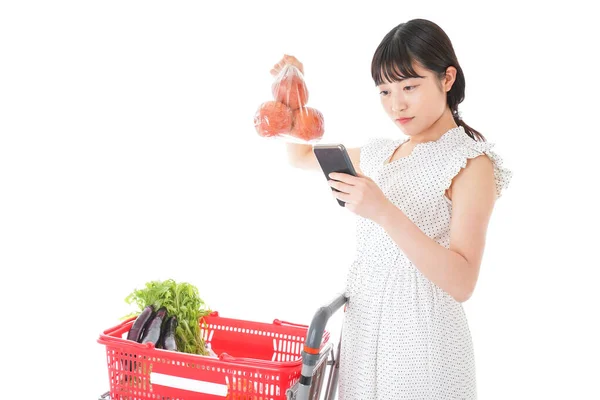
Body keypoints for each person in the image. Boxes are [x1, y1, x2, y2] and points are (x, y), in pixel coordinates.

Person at [272, 18, 512, 400]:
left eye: (410, 87)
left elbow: (462, 282)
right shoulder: (381, 153)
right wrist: (290, 90)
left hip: (426, 344)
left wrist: (383, 211)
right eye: (384, 91)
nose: (395, 104)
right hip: (364, 334)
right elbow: (299, 154)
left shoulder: (471, 164)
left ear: (447, 79)